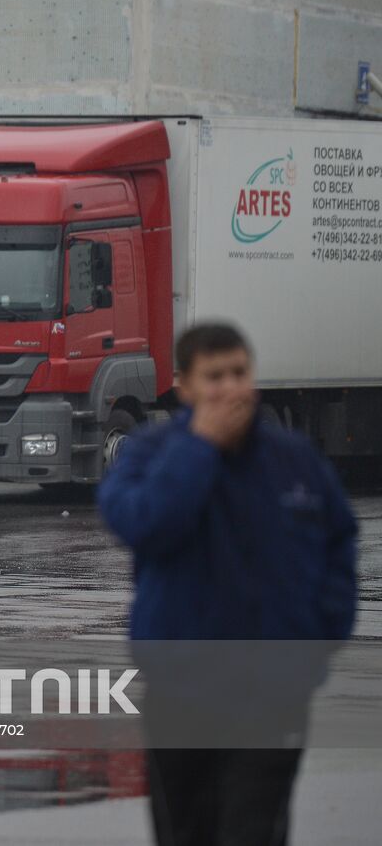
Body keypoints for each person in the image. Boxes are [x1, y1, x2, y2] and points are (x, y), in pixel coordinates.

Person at [97, 323, 357, 846]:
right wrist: (200, 448)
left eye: (239, 373)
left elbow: (339, 543)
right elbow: (145, 522)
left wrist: (319, 638)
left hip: (272, 693)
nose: (230, 388)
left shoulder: (293, 459)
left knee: (252, 830)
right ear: (184, 386)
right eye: (214, 377)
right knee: (188, 832)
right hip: (181, 692)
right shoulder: (150, 454)